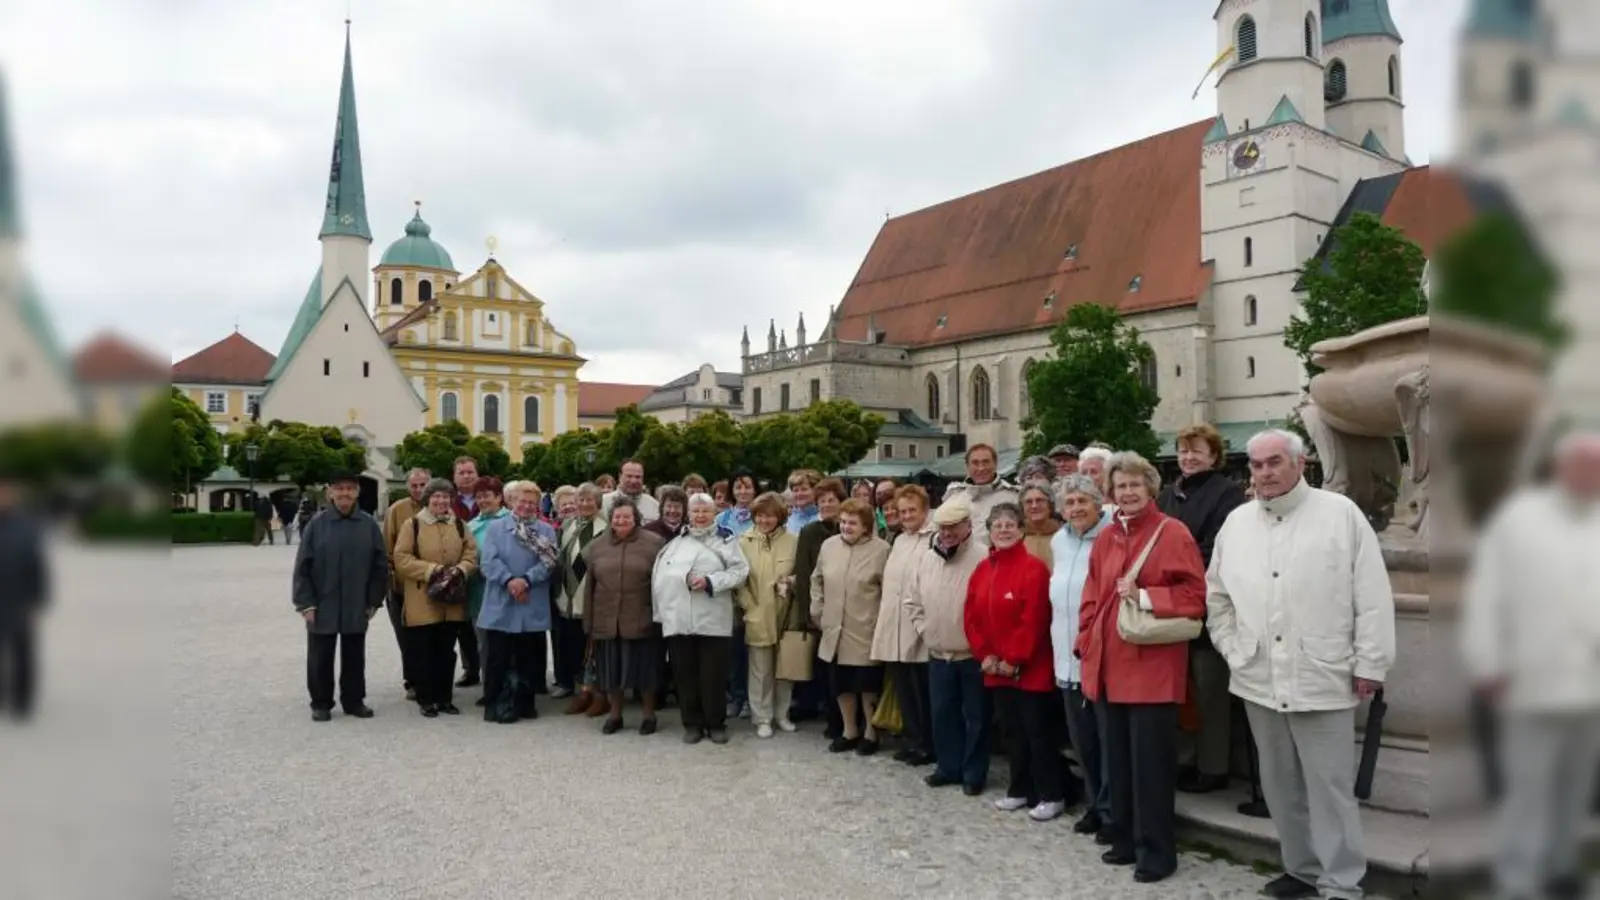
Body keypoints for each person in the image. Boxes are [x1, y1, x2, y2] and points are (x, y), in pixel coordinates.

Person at [1207, 430, 1396, 900]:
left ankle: (1341, 882)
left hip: (1322, 672)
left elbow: (1371, 595)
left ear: (1300, 464)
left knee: (1330, 788)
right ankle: (1302, 869)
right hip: (1257, 675)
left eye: (1274, 462)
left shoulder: (1340, 515)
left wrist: (1371, 661)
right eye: (1256, 465)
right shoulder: (1237, 522)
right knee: (1279, 784)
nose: (1265, 473)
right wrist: (1233, 648)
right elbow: (1218, 597)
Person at [1461, 429, 1600, 900]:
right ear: (1561, 468)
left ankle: (1561, 866)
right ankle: (1518, 880)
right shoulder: (1520, 519)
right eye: (1583, 464)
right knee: (1528, 790)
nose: (1590, 474)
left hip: (1590, 684)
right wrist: (1488, 663)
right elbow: (1486, 596)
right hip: (1530, 680)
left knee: (1576, 787)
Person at [1076, 451, 1207, 885]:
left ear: (1151, 488)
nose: (1127, 493)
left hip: (1152, 667)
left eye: (1135, 484)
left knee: (1150, 764)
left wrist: (1145, 596)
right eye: (1120, 486)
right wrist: (1084, 639)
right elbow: (1092, 596)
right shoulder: (1106, 537)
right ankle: (1128, 836)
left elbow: (1194, 596)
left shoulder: (1172, 532)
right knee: (1118, 759)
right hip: (1110, 666)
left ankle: (1158, 848)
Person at [1157, 423, 1248, 795]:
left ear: (1213, 456)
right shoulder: (1167, 494)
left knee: (1209, 689)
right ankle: (1184, 759)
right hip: (1168, 605)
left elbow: (1218, 546)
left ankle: (1213, 766)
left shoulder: (1227, 494)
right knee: (1180, 689)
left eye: (1197, 450)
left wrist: (1172, 565)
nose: (1189, 457)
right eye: (1183, 450)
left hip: (1206, 603)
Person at [965, 502, 1063, 822]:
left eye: (1010, 524)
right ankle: (1019, 789)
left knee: (1038, 732)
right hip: (997, 669)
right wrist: (986, 656)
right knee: (1012, 732)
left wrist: (1014, 659)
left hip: (1029, 668)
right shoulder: (982, 569)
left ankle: (1052, 793)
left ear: (1021, 530)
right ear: (989, 533)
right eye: (997, 525)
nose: (1003, 530)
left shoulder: (1034, 569)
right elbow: (971, 617)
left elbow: (1034, 619)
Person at [905, 494, 990, 794]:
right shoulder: (928, 558)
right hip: (938, 652)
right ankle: (948, 766)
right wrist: (925, 630)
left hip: (972, 654)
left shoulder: (983, 557)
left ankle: (973, 772)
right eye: (943, 527)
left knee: (976, 718)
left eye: (954, 526)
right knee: (943, 715)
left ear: (968, 525)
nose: (948, 533)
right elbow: (913, 600)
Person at [291, 471, 388, 722]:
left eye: (350, 488)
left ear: (357, 492)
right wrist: (305, 603)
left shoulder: (368, 525)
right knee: (320, 654)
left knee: (355, 654)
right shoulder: (316, 525)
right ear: (330, 492)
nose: (344, 493)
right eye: (339, 488)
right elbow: (303, 567)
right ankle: (321, 702)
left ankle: (354, 700)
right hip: (323, 601)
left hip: (357, 601)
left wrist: (373, 601)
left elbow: (380, 566)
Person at [653, 493, 750, 744]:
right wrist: (681, 579)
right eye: (695, 511)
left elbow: (740, 571)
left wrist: (710, 581)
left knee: (714, 675)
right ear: (689, 513)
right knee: (685, 674)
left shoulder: (727, 540)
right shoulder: (677, 542)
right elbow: (661, 576)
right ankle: (692, 723)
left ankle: (715, 723)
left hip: (713, 617)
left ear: (714, 512)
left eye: (705, 511)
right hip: (680, 618)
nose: (700, 516)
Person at [1050, 474, 1115, 840]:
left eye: (1082, 501)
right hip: (1065, 652)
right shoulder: (1059, 541)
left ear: (1098, 502)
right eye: (1069, 503)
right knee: (1082, 740)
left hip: (1101, 656)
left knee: (1107, 738)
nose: (1075, 509)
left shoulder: (1111, 537)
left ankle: (1110, 810)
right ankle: (1093, 803)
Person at [393, 478, 480, 719]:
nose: (441, 501)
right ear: (428, 499)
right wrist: (431, 570)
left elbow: (471, 554)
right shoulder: (413, 525)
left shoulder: (460, 525)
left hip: (451, 602)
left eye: (445, 496)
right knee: (423, 650)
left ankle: (444, 698)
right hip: (422, 599)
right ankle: (426, 698)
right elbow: (401, 558)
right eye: (436, 497)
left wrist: (461, 569)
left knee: (446, 650)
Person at [811, 498, 891, 755]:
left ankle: (870, 732)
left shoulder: (881, 550)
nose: (846, 527)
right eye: (843, 522)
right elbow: (817, 580)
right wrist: (818, 611)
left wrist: (879, 621)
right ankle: (849, 730)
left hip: (865, 627)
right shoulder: (828, 546)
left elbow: (888, 590)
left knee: (866, 684)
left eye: (852, 523)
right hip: (834, 627)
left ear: (866, 526)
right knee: (841, 684)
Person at [582, 497, 667, 735]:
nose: (621, 521)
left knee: (646, 670)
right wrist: (589, 623)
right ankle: (615, 715)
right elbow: (590, 587)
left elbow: (661, 584)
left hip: (642, 617)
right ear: (610, 520)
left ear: (636, 519)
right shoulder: (596, 547)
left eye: (626, 517)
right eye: (617, 517)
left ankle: (649, 715)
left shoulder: (655, 544)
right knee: (611, 671)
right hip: (607, 618)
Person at [477, 482, 558, 724]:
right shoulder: (495, 528)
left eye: (531, 502)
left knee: (529, 657)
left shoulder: (546, 531)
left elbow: (549, 562)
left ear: (538, 506)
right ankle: (494, 703)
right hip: (501, 600)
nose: (526, 506)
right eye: (521, 501)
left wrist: (526, 581)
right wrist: (510, 581)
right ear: (511, 501)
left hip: (531, 599)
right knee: (497, 658)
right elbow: (488, 562)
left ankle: (525, 703)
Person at [870, 484, 937, 766]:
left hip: (917, 627)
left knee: (922, 690)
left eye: (912, 510)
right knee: (903, 689)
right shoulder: (899, 540)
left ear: (925, 510)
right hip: (893, 624)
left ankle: (928, 743)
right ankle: (912, 738)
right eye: (902, 510)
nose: (907, 515)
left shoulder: (933, 539)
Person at [736, 491, 799, 738]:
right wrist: (749, 607)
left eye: (770, 515)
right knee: (760, 670)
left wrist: (791, 582)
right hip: (757, 613)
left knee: (784, 669)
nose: (765, 520)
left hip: (786, 613)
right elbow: (739, 580)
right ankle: (762, 717)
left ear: (780, 516)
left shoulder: (793, 541)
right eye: (760, 515)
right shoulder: (743, 542)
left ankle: (782, 714)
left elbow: (803, 573)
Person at [790, 477, 845, 733]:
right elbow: (802, 575)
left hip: (850, 611)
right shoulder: (809, 532)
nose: (825, 505)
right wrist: (806, 614)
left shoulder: (850, 528)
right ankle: (828, 713)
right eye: (821, 501)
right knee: (825, 666)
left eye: (830, 500)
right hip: (820, 608)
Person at [555, 483, 606, 711]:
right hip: (567, 595)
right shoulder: (567, 525)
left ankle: (594, 690)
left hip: (591, 594)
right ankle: (575, 684)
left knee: (592, 645)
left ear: (598, 503)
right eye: (581, 500)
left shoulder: (605, 528)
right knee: (570, 642)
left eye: (590, 500)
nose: (585, 504)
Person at [382, 468, 431, 700]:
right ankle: (412, 680)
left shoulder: (439, 506)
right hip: (402, 585)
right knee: (406, 635)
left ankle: (432, 678)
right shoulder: (397, 510)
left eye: (423, 485)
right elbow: (387, 546)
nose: (419, 489)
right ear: (407, 486)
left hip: (431, 584)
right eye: (414, 485)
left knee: (430, 635)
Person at [0, 477, 47, 719]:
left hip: (19, 599)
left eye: (6, 493)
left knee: (23, 655)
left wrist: (38, 599)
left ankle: (22, 702)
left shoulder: (26, 526)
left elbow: (38, 565)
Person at [465, 478, 511, 701]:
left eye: (488, 495)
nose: (483, 500)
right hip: (479, 593)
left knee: (506, 642)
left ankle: (510, 686)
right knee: (483, 643)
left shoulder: (512, 521)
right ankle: (489, 688)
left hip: (506, 591)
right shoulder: (471, 526)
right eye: (479, 496)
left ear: (499, 497)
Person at [448, 456, 483, 691]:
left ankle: (487, 667)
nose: (467, 476)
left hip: (484, 570)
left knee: (482, 621)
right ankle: (470, 668)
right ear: (454, 476)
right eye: (461, 472)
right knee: (461, 624)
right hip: (457, 569)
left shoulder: (488, 497)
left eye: (470, 472)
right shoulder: (447, 501)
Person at [944, 443, 1019, 546]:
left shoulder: (1012, 498)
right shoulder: (954, 496)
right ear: (967, 466)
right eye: (975, 463)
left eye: (986, 462)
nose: (981, 468)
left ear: (995, 464)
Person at [602, 459, 661, 524]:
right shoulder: (603, 503)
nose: (633, 481)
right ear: (620, 477)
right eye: (629, 476)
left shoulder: (654, 505)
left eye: (638, 477)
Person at [1019, 483, 1060, 567]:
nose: (1034, 506)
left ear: (1050, 505)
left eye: (1039, 500)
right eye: (1028, 502)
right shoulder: (1015, 538)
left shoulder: (1064, 535)